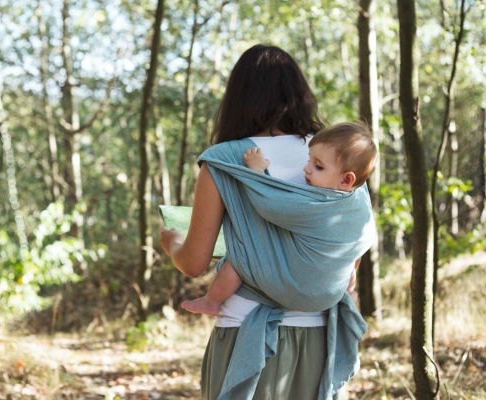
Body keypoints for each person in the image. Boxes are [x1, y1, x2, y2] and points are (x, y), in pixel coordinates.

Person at [160, 44, 376, 400]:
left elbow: (194, 263)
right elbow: (351, 242)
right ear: (300, 95)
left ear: (238, 99)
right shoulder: (342, 157)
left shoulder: (225, 161)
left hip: (245, 332)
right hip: (320, 333)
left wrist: (172, 241)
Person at [181, 122, 377, 317]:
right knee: (351, 255)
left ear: (346, 180)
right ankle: (349, 292)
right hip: (332, 295)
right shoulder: (359, 201)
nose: (306, 169)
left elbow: (270, 205)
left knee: (243, 255)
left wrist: (256, 172)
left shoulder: (313, 206)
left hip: (299, 292)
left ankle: (211, 301)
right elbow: (364, 241)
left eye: (318, 166)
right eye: (309, 160)